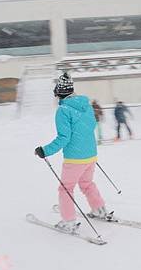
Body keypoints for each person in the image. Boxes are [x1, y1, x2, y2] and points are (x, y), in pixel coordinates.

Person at [34, 73, 108, 233]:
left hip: (75, 158)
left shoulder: (63, 110)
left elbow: (64, 138)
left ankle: (69, 221)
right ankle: (99, 209)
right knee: (87, 184)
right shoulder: (86, 105)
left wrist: (45, 150)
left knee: (66, 188)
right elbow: (91, 125)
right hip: (91, 155)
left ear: (59, 93)